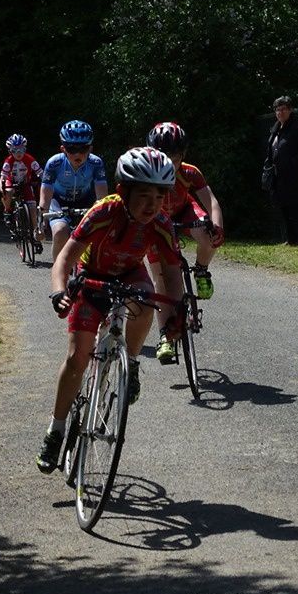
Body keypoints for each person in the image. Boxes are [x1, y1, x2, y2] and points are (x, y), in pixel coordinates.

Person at [36, 147, 185, 473]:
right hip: (92, 278)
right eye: (144, 196)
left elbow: (172, 275)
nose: (152, 205)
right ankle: (55, 431)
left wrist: (176, 313)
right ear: (123, 191)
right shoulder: (103, 212)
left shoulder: (160, 223)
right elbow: (65, 258)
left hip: (131, 276)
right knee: (78, 358)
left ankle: (129, 363)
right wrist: (59, 290)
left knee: (146, 300)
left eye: (159, 198)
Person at [145, 121, 224, 364]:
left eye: (175, 157)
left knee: (206, 235)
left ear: (183, 154)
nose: (170, 162)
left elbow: (210, 201)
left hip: (182, 211)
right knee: (160, 278)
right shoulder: (144, 172)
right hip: (156, 219)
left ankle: (201, 270)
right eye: (163, 156)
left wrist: (217, 225)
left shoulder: (189, 172)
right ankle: (165, 336)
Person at [38, 120, 109, 264]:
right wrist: (40, 223)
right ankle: (58, 277)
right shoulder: (54, 163)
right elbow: (46, 194)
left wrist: (104, 215)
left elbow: (102, 196)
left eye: (83, 149)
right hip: (59, 202)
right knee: (60, 231)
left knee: (97, 235)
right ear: (63, 148)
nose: (78, 154)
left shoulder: (96, 163)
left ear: (90, 148)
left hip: (86, 201)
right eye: (72, 149)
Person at [265, 96, 298, 245]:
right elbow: (272, 151)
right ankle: (290, 239)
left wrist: (292, 163)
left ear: (290, 110)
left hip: (296, 178)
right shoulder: (275, 129)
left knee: (297, 208)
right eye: (277, 109)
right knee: (284, 208)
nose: (280, 112)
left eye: (283, 109)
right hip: (279, 177)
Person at [0, 134, 44, 252]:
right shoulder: (8, 161)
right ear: (10, 151)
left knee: (33, 208)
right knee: (8, 191)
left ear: (25, 149)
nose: (18, 153)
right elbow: (2, 178)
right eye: (15, 150)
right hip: (11, 181)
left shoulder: (30, 159)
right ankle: (7, 212)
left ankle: (35, 237)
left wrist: (45, 181)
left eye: (21, 150)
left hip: (25, 183)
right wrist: (2, 189)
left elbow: (41, 173)